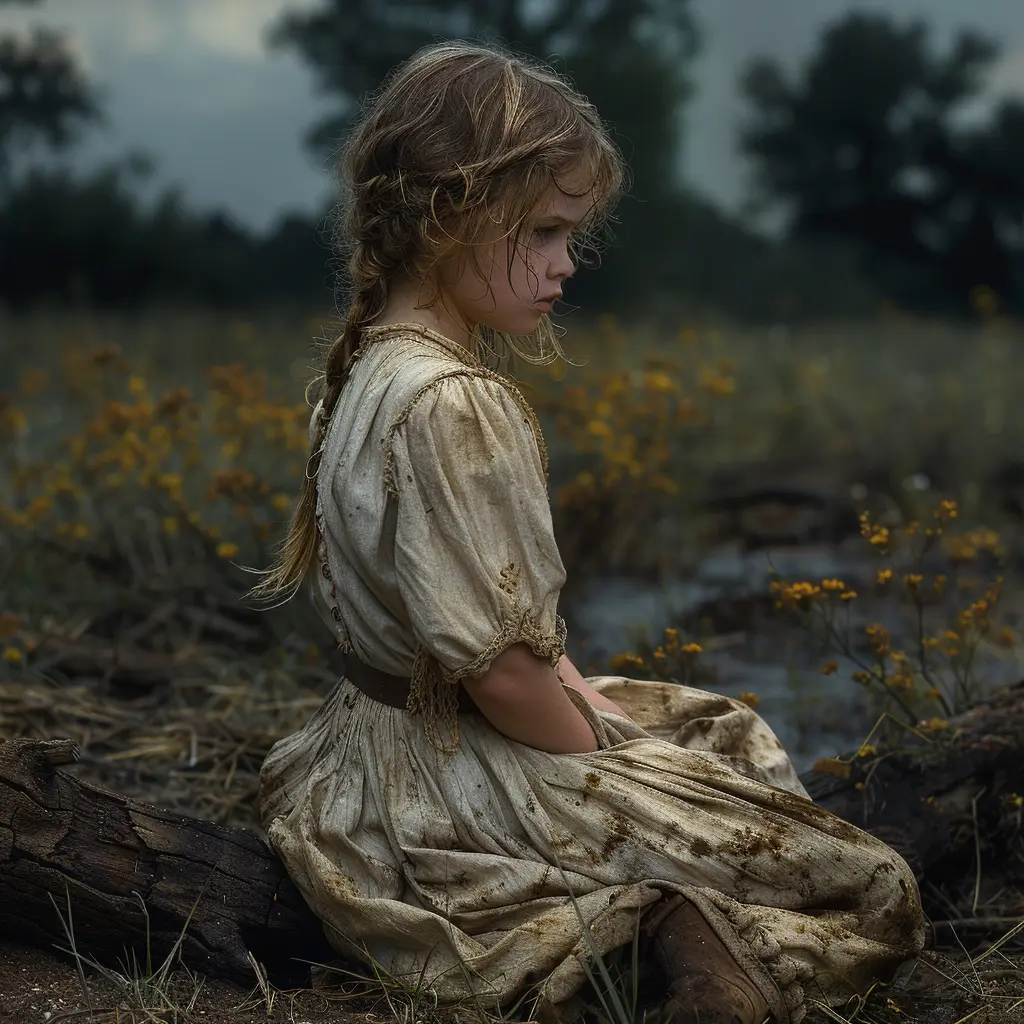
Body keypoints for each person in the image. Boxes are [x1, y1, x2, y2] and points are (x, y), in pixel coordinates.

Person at [254, 41, 925, 1024]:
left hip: (381, 746)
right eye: (546, 232)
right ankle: (663, 943)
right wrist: (598, 763)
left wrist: (609, 720)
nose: (568, 264)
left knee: (717, 728)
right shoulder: (451, 402)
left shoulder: (362, 373)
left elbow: (517, 647)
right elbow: (504, 675)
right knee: (871, 887)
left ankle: (666, 915)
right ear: (453, 217)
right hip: (451, 775)